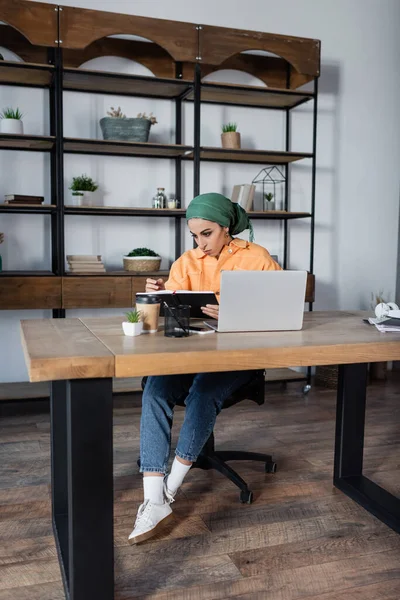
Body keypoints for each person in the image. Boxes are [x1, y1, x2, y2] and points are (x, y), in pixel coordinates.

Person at [129, 192, 281, 544]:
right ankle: (153, 500)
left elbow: (279, 315)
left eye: (207, 233)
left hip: (237, 360)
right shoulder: (186, 262)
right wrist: (161, 293)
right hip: (191, 355)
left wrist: (234, 313)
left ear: (226, 228)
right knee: (155, 389)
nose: (201, 242)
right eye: (195, 235)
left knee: (202, 395)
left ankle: (169, 491)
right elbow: (174, 312)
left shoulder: (257, 258)